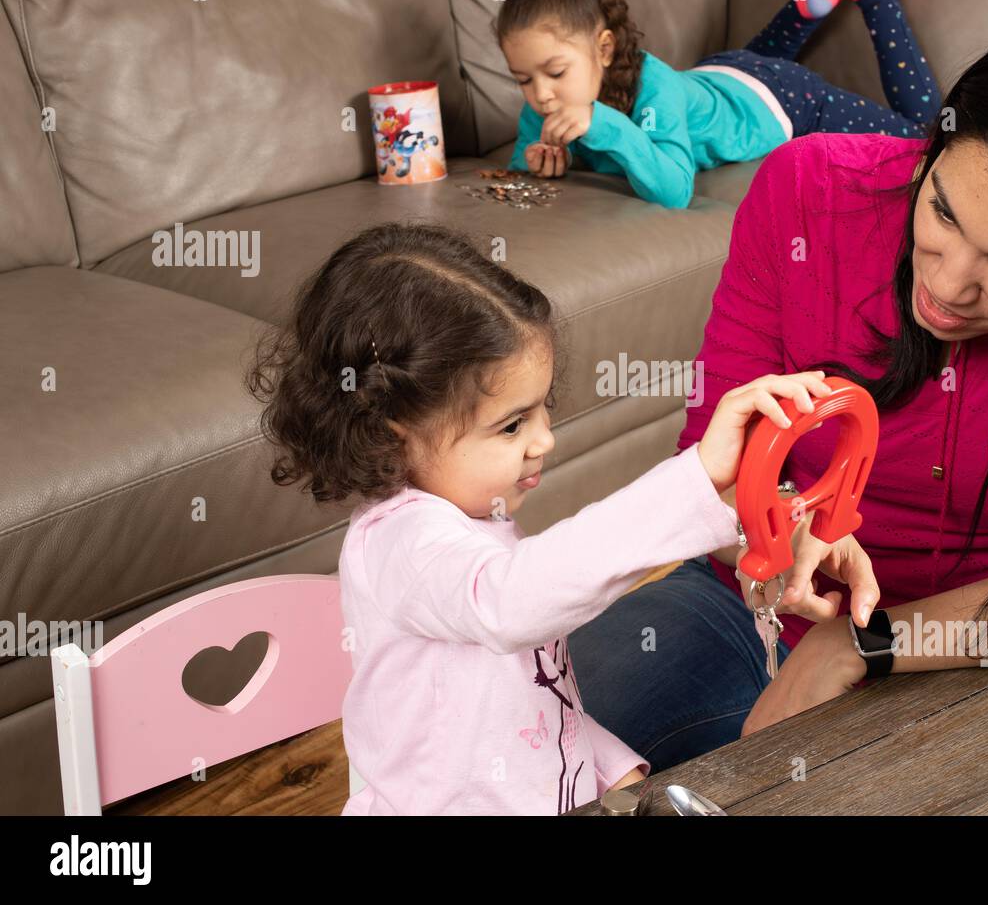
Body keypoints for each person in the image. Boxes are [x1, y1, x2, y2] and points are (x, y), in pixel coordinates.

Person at [569, 21, 988, 772]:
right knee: (516, 740)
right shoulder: (805, 188)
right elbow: (708, 469)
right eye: (942, 210)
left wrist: (865, 643)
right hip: (742, 607)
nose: (943, 287)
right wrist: (770, 533)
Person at [245, 221, 834, 813]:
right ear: (393, 436)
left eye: (541, 410)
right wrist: (697, 478)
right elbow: (513, 603)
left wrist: (607, 769)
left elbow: (526, 700)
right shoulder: (400, 540)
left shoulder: (475, 519)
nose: (545, 440)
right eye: (511, 425)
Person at [497, 0, 936, 207]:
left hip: (784, 98)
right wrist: (543, 163)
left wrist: (605, 124)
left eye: (555, 72)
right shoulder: (544, 102)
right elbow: (520, 164)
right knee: (758, 54)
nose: (540, 94)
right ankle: (811, 2)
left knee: (932, 136)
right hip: (724, 71)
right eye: (522, 79)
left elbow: (674, 191)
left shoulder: (655, 87)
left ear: (605, 48)